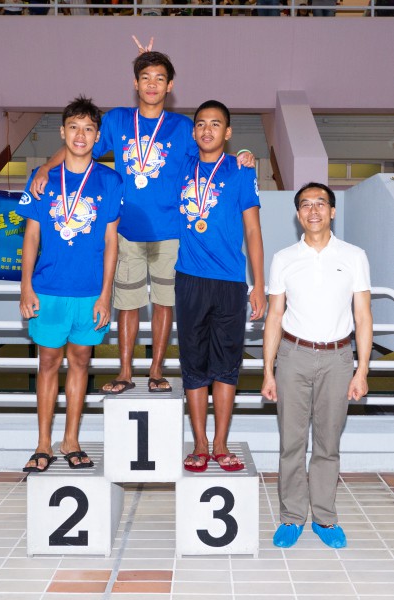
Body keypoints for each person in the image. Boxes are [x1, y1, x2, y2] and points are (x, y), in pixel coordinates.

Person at [29, 38, 255, 396]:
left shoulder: (183, 127)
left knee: (165, 303)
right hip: (126, 231)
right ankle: (124, 372)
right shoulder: (117, 119)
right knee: (127, 305)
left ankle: (155, 370)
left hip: (170, 231)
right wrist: (45, 166)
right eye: (145, 77)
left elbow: (213, 148)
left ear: (170, 85)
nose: (152, 83)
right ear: (135, 83)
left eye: (160, 77)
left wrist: (243, 152)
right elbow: (79, 144)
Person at [261, 182, 372, 548]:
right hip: (293, 357)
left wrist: (361, 370)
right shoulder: (283, 259)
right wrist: (268, 370)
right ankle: (292, 517)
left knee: (327, 443)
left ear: (332, 211)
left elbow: (363, 315)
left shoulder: (354, 256)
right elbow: (274, 316)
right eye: (305, 205)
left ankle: (324, 519)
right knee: (291, 442)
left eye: (320, 204)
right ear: (298, 214)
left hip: (339, 359)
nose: (313, 210)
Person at [18, 96, 122, 472]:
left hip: (89, 292)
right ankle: (43, 443)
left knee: (80, 362)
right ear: (63, 132)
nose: (81, 135)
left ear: (97, 136)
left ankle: (71, 439)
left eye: (89, 129)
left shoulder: (110, 180)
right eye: (74, 127)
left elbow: (112, 242)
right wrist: (25, 286)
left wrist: (106, 294)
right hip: (47, 289)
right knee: (48, 363)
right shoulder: (41, 179)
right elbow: (30, 237)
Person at [176, 100, 266, 473]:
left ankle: (221, 442)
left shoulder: (241, 171)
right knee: (193, 362)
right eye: (201, 124)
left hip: (230, 281)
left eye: (216, 124)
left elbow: (252, 229)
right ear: (194, 132)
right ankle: (199, 443)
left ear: (227, 133)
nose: (208, 130)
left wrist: (258, 284)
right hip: (189, 279)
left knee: (226, 364)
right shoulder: (182, 166)